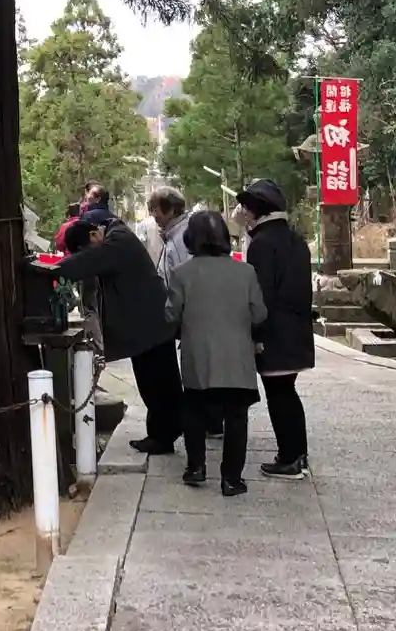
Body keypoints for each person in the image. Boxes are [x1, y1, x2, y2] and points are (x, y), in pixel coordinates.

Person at [56, 203, 181, 454]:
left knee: (158, 384)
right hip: (146, 325)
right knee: (154, 383)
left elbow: (85, 263)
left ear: (94, 234)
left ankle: (166, 434)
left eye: (87, 248)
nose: (89, 253)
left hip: (150, 325)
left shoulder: (117, 241)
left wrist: (50, 269)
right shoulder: (115, 237)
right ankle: (162, 433)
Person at [164, 209, 267, 495]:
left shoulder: (181, 274)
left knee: (194, 411)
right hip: (237, 358)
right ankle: (231, 479)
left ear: (190, 238)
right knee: (236, 416)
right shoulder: (246, 272)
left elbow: (171, 315)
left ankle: (196, 467)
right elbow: (259, 313)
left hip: (198, 356)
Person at [236, 177, 316, 478]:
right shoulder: (295, 240)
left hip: (274, 334)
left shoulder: (262, 244)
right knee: (287, 393)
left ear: (258, 209)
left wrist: (256, 334)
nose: (243, 212)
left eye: (246, 207)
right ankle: (297, 454)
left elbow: (261, 296)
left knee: (280, 396)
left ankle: (290, 458)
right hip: (296, 331)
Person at [144, 185, 194, 282]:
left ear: (171, 210)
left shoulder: (182, 238)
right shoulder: (177, 233)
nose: (153, 215)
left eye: (155, 210)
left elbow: (184, 280)